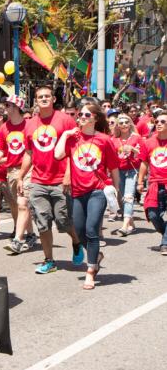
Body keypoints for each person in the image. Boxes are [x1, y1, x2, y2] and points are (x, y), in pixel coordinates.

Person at [17, 86, 84, 274]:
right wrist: (21, 176)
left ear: (53, 99)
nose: (44, 99)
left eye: (47, 96)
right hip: (38, 181)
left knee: (63, 221)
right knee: (42, 222)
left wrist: (68, 174)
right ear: (36, 100)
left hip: (60, 180)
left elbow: (74, 150)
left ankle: (76, 241)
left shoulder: (66, 120)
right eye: (40, 97)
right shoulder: (30, 124)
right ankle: (49, 261)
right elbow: (29, 153)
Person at [54, 104, 119, 289]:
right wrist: (65, 135)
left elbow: (114, 167)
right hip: (77, 192)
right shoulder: (73, 138)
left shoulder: (104, 140)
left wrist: (116, 191)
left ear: (95, 118)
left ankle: (90, 270)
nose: (82, 116)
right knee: (80, 230)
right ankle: (96, 256)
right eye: (80, 114)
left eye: (86, 114)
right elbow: (58, 155)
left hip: (98, 190)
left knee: (91, 230)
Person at [0, 96, 35, 253]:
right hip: (11, 171)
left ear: (17, 107)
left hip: (28, 169)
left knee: (23, 203)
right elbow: (1, 150)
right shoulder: (4, 128)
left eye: (7, 105)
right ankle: (31, 235)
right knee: (21, 205)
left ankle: (18, 240)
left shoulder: (29, 125)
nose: (4, 107)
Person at [138, 110, 167, 255]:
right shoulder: (148, 142)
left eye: (163, 122)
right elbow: (144, 163)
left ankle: (165, 244)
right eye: (157, 122)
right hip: (155, 184)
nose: (159, 124)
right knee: (153, 215)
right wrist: (140, 182)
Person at [111, 113, 142, 235]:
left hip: (132, 170)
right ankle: (131, 224)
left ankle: (124, 226)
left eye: (126, 122)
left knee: (128, 196)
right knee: (123, 198)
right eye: (121, 123)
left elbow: (143, 154)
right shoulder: (113, 139)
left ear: (130, 124)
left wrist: (133, 149)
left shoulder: (137, 138)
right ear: (117, 125)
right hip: (118, 171)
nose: (124, 124)